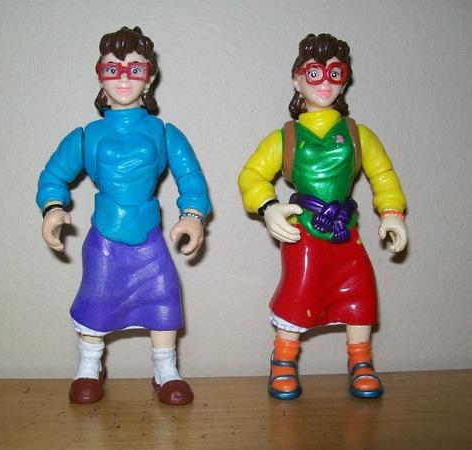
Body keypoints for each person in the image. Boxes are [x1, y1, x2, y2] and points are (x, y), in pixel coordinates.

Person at [36, 26, 211, 406]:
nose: (124, 78)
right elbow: (53, 176)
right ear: (100, 76)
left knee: (164, 296)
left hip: (148, 236)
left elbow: (192, 179)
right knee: (96, 299)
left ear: (149, 77)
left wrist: (192, 215)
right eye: (113, 69)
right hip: (105, 237)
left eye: (135, 69)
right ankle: (88, 366)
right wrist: (53, 209)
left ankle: (166, 369)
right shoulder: (88, 135)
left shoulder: (164, 133)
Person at [238, 33, 407, 400]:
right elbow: (251, 175)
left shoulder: (357, 134)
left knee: (360, 292)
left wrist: (391, 213)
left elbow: (383, 175)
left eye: (335, 73)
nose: (325, 83)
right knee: (298, 293)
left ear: (345, 80)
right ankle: (283, 361)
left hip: (346, 232)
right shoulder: (286, 137)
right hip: (305, 233)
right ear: (297, 79)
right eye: (314, 73)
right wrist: (269, 207)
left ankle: (361, 361)